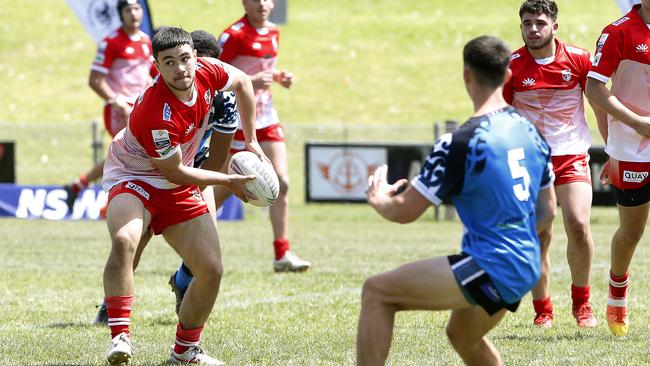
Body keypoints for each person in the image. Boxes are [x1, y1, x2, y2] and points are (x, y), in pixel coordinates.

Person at [357, 35, 557, 366]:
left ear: (466, 75)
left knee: (377, 293)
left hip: (495, 265)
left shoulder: (461, 143)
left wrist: (379, 198)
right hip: (528, 264)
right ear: (508, 75)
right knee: (462, 335)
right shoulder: (530, 131)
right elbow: (548, 210)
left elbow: (404, 212)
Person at [101, 26, 265, 365]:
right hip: (136, 177)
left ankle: (185, 350)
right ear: (157, 67)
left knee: (211, 269)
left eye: (185, 59)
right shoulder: (154, 112)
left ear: (195, 57)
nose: (180, 69)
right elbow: (173, 172)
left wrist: (251, 140)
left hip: (178, 181)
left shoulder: (209, 71)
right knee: (125, 240)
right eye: (169, 62)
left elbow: (246, 84)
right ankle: (120, 336)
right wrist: (228, 181)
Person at [503, 0, 598, 328]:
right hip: (529, 162)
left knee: (578, 225)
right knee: (538, 236)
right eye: (527, 23)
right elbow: (500, 117)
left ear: (554, 26)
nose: (533, 29)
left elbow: (599, 105)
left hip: (571, 156)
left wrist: (613, 151)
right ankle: (543, 310)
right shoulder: (510, 66)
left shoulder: (579, 59)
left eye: (540, 22)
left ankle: (582, 304)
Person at [211, 0, 311, 272]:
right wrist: (249, 83)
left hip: (266, 117)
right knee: (221, 190)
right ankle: (197, 249)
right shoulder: (233, 35)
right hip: (236, 120)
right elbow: (214, 77)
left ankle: (282, 254)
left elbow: (264, 69)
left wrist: (279, 77)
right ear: (245, 2)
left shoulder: (273, 32)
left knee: (283, 182)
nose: (263, 4)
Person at [585, 0, 650, 337]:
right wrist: (637, 123)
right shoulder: (618, 32)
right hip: (633, 150)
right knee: (632, 232)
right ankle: (617, 295)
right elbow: (593, 87)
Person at [64, 0, 154, 213]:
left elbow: (151, 73)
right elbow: (95, 80)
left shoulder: (145, 40)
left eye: (137, 9)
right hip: (120, 108)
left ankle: (79, 187)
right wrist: (116, 100)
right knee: (131, 153)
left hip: (141, 107)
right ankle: (113, 203)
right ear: (120, 14)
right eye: (128, 10)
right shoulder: (110, 42)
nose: (134, 14)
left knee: (128, 154)